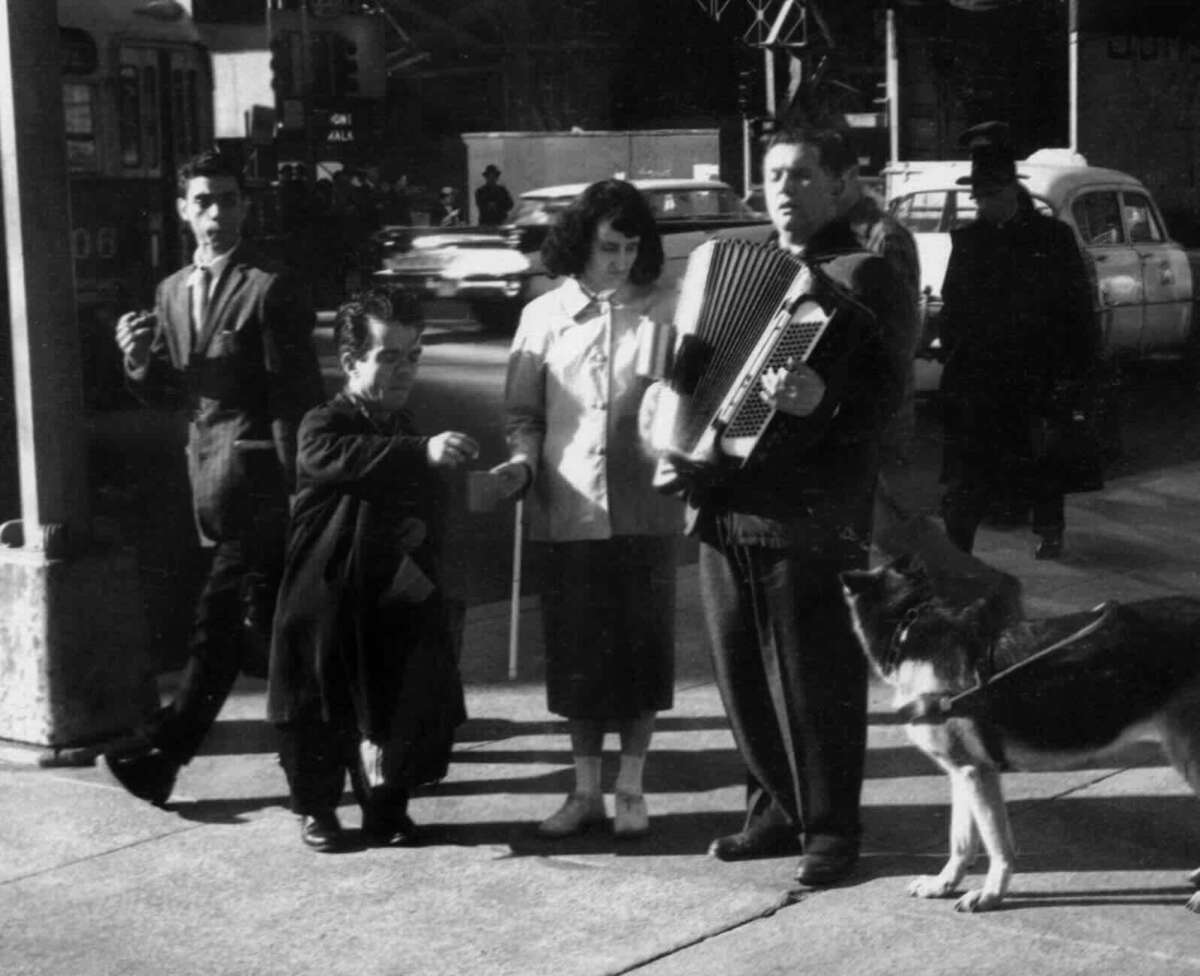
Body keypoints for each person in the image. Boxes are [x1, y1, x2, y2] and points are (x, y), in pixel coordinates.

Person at [685, 124, 910, 885]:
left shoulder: (864, 274)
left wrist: (825, 402)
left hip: (809, 513)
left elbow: (889, 402)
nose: (783, 189)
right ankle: (774, 814)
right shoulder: (737, 261)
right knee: (741, 670)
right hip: (723, 499)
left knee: (816, 679)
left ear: (841, 184)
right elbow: (697, 362)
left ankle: (832, 833)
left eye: (803, 174)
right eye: (774, 174)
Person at [106, 149, 324, 806]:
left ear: (245, 206)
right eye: (203, 201)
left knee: (217, 624)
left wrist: (302, 490)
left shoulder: (269, 287)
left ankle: (164, 753)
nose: (216, 213)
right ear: (183, 210)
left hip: (260, 486)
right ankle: (334, 749)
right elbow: (171, 391)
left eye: (228, 200)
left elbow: (296, 398)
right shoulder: (171, 291)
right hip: (204, 482)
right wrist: (138, 362)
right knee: (251, 633)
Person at [491, 179, 682, 839]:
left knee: (642, 659)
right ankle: (584, 792)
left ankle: (631, 788)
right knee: (579, 661)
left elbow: (684, 403)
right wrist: (522, 462)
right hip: (568, 507)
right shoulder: (542, 316)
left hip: (647, 508)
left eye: (631, 247)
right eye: (609, 248)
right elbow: (523, 413)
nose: (622, 261)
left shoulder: (664, 309)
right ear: (581, 244)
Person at [267, 288, 474, 852]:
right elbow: (337, 458)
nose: (404, 369)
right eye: (388, 356)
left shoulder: (401, 422)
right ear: (351, 361)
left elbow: (421, 494)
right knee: (319, 701)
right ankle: (316, 810)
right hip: (326, 588)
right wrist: (420, 452)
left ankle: (385, 809)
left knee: (395, 697)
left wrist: (420, 525)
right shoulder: (324, 421)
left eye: (413, 356)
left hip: (386, 587)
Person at [938, 121, 1098, 560]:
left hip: (1037, 374)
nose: (981, 203)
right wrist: (952, 352)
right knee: (967, 474)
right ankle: (957, 552)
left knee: (1042, 461)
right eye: (977, 196)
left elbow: (1076, 310)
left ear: (1010, 189)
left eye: (989, 194)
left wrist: (1075, 375)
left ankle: (1050, 530)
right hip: (980, 378)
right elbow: (953, 306)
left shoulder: (1053, 238)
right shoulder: (968, 241)